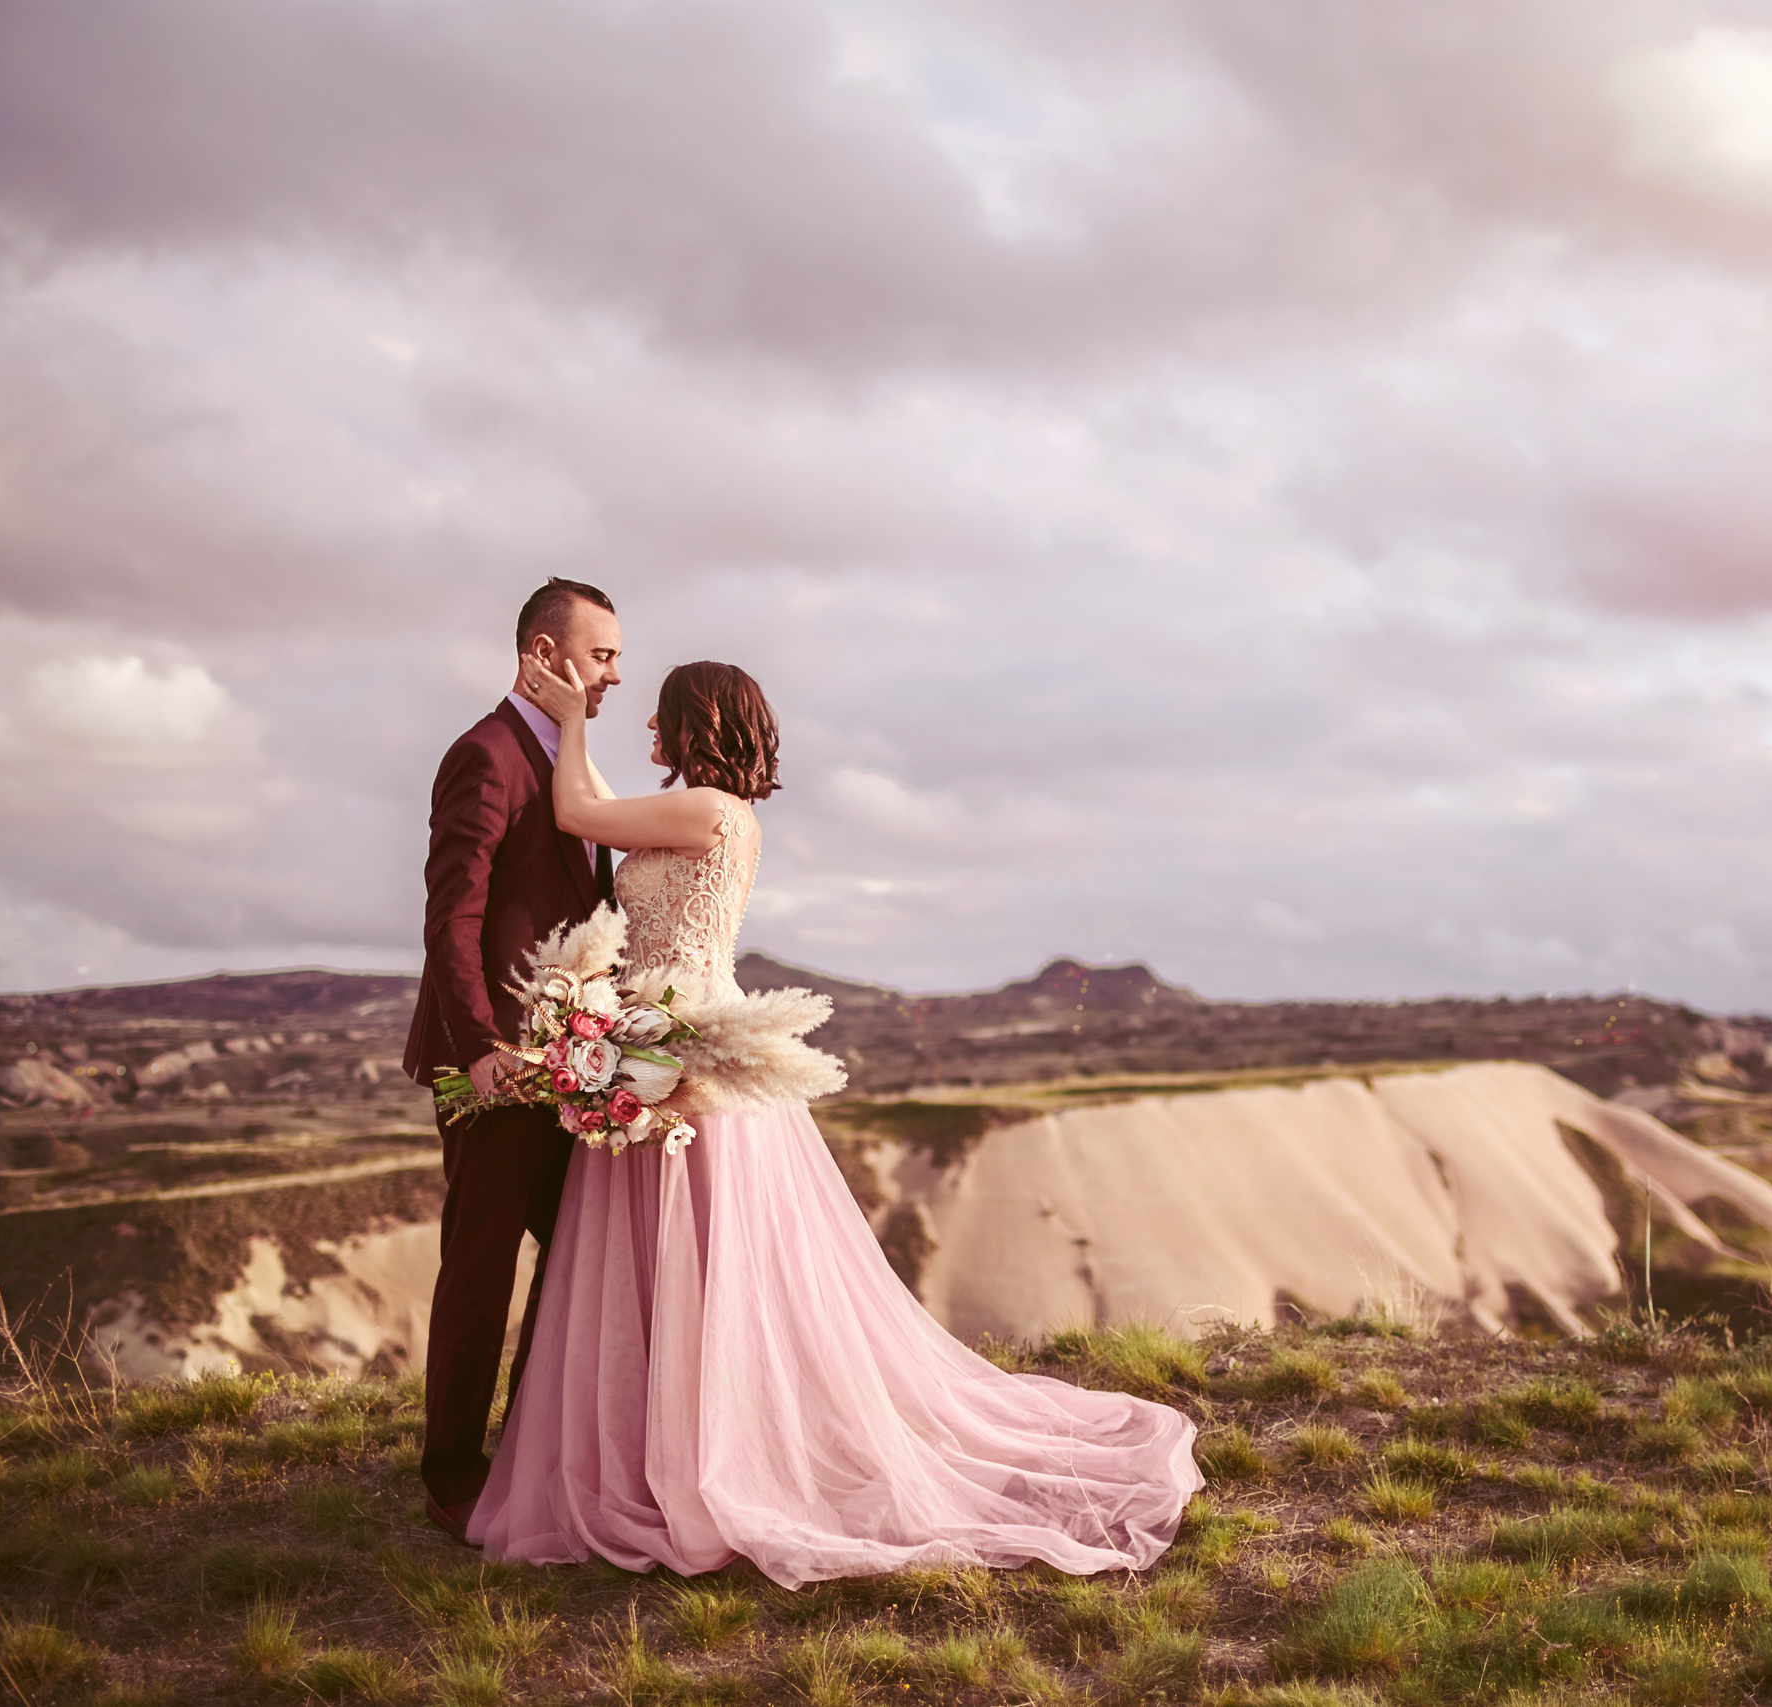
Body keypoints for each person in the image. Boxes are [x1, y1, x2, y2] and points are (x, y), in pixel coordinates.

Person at [466, 653, 1201, 1582]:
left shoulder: (711, 813)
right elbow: (602, 808)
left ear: (696, 725)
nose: (645, 728)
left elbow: (578, 810)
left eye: (661, 716)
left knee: (708, 1258)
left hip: (685, 1053)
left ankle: (710, 1455)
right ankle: (666, 1448)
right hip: (651, 1043)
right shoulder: (691, 812)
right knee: (667, 1259)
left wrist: (569, 721)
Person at [403, 578, 625, 1541]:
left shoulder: (569, 759)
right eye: (603, 653)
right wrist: (482, 1050)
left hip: (567, 1065)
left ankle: (532, 1449)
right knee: (481, 1266)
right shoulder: (484, 755)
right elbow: (450, 916)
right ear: (546, 651)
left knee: (577, 1257)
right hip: (493, 1067)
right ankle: (452, 1475)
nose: (617, 671)